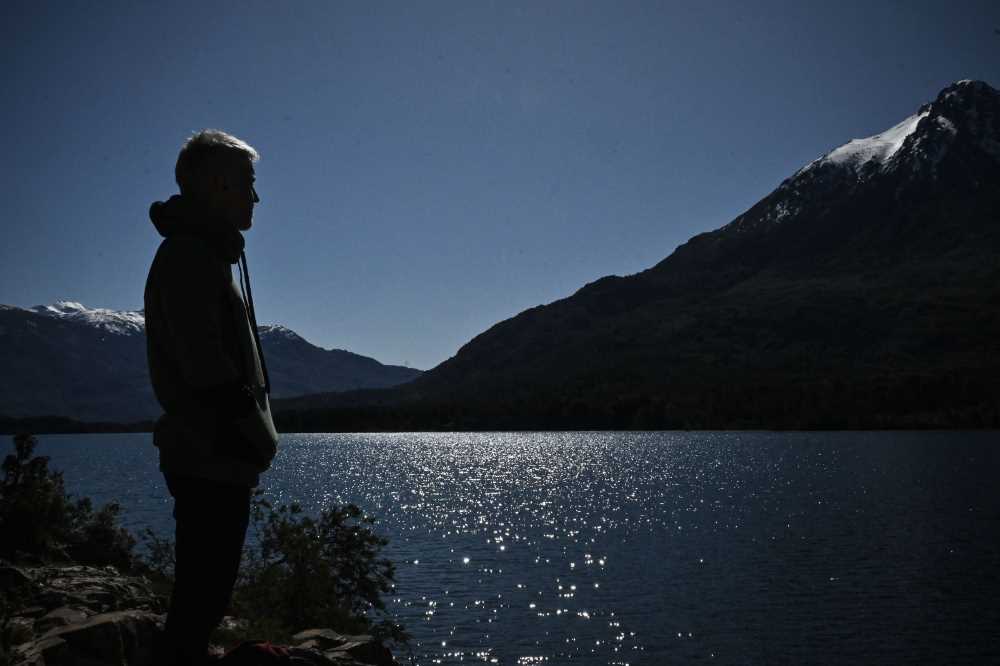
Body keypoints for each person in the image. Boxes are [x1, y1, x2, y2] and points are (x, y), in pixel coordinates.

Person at [144, 130, 279, 665]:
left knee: (204, 599)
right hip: (209, 457)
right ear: (217, 185)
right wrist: (248, 434)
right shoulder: (189, 257)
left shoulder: (205, 254)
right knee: (199, 603)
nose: (255, 197)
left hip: (217, 456)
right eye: (248, 183)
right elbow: (206, 369)